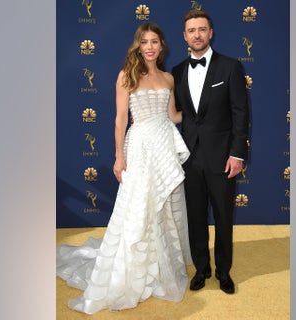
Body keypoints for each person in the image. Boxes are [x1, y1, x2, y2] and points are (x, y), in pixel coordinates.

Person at [56, 22, 192, 314]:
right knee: (139, 207)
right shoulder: (126, 76)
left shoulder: (169, 79)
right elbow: (120, 120)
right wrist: (119, 156)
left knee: (164, 205)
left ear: (162, 45)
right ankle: (133, 268)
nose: (150, 47)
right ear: (138, 46)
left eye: (155, 41)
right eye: (145, 42)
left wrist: (204, 110)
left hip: (163, 146)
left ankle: (159, 267)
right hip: (140, 147)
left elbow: (173, 116)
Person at [172, 9, 250, 295]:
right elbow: (178, 114)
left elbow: (240, 113)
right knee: (195, 217)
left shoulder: (230, 67)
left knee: (224, 217)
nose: (197, 35)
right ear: (185, 36)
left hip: (222, 158)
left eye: (202, 29)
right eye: (191, 30)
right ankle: (201, 269)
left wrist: (237, 154)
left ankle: (223, 271)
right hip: (189, 158)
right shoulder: (178, 71)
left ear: (210, 32)